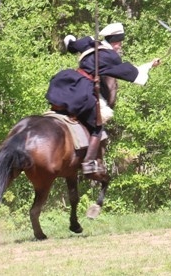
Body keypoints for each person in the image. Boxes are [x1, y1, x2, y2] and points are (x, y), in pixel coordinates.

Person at [46, 22, 161, 178]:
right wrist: (149, 66)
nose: (119, 46)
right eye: (118, 42)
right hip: (82, 90)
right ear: (113, 41)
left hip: (66, 82)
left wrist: (73, 41)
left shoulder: (89, 42)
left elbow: (71, 44)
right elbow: (132, 74)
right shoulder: (112, 57)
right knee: (97, 127)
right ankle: (88, 164)